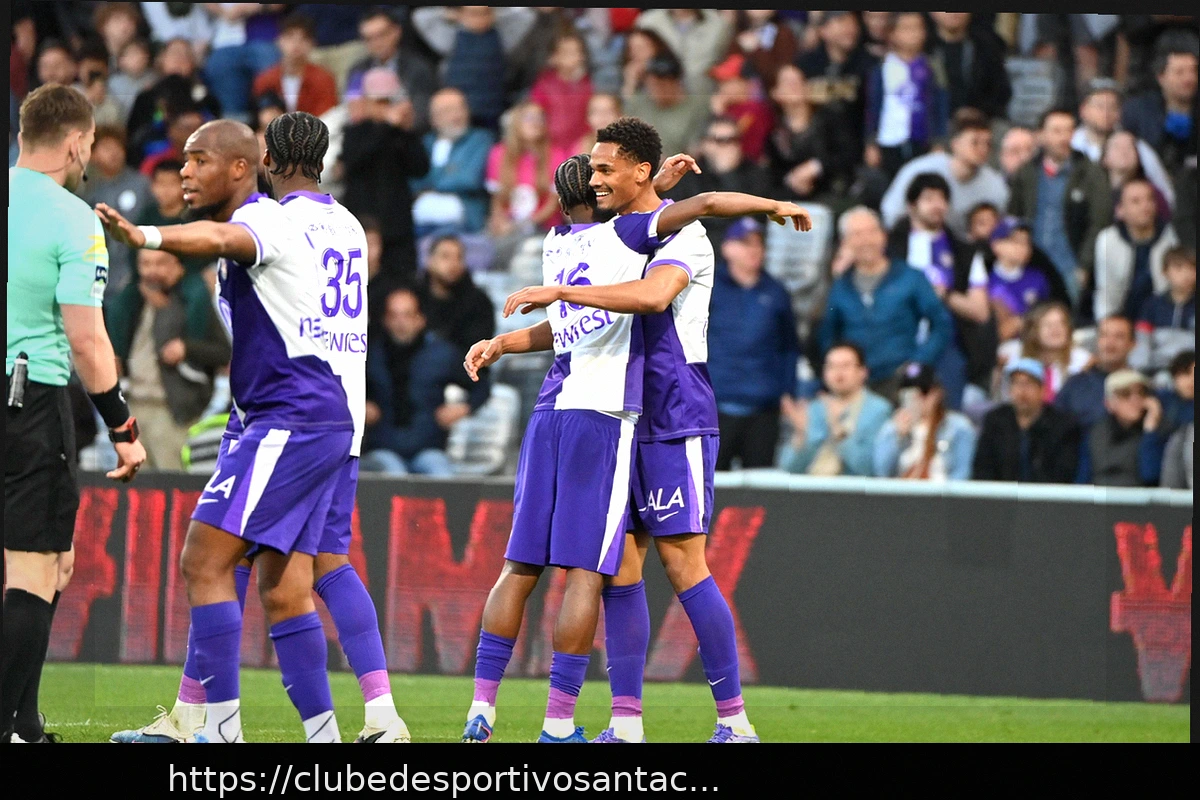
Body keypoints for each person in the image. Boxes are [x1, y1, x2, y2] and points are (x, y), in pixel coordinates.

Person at [493, 120, 811, 743]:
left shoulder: (684, 239)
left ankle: (735, 723)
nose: (592, 179)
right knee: (622, 571)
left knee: (685, 563)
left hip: (674, 414)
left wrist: (762, 203)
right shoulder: (622, 233)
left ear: (638, 169)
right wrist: (508, 343)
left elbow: (652, 297)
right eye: (591, 168)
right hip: (619, 414)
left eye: (605, 168)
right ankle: (627, 725)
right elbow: (587, 312)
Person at [106, 111, 412, 745]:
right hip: (332, 407)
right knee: (288, 576)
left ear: (261, 163)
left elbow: (226, 242)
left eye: (198, 160)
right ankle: (351, 728)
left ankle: (210, 727)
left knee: (212, 557)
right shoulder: (347, 223)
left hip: (289, 411)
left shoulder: (269, 219)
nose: (185, 171)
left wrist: (150, 237)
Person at [5, 84, 147, 745]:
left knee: (53, 562)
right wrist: (122, 426)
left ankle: (26, 722)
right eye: (88, 144)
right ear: (75, 143)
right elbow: (87, 338)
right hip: (29, 397)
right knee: (35, 567)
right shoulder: (72, 217)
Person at [105, 248, 231, 470]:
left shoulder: (192, 302)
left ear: (178, 266)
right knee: (137, 490)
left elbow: (223, 351)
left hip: (172, 412)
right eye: (145, 263)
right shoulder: (130, 303)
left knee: (174, 489)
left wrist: (186, 348)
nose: (152, 271)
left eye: (160, 263)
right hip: (132, 408)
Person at [818, 206, 954, 403]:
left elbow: (941, 324)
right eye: (857, 234)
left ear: (883, 236)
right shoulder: (839, 287)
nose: (866, 240)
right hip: (856, 386)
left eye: (872, 232)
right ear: (846, 242)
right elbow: (828, 335)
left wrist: (920, 360)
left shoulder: (910, 277)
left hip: (901, 379)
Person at [885, 172, 995, 410]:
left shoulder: (964, 252)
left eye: (942, 199)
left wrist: (943, 294)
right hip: (898, 342)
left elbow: (980, 312)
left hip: (948, 346)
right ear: (911, 206)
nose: (937, 205)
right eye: (929, 198)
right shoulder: (890, 247)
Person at [361, 287, 490, 477]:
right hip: (382, 448)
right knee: (393, 476)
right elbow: (341, 387)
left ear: (420, 319)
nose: (400, 323)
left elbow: (481, 384)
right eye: (394, 316)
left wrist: (463, 408)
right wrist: (359, 407)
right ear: (385, 320)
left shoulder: (442, 354)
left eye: (407, 315)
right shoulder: (368, 355)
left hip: (428, 447)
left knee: (442, 476)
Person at [708, 218, 800, 471]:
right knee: (712, 485)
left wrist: (788, 391)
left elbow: (789, 346)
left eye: (759, 243)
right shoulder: (709, 287)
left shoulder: (776, 291)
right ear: (727, 248)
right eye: (745, 243)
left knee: (760, 491)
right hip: (717, 407)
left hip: (764, 409)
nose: (754, 249)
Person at [1006, 107, 1112, 310]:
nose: (1064, 137)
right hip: (1030, 265)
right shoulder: (1027, 172)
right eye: (1056, 131)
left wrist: (1084, 265)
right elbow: (1014, 216)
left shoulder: (1090, 173)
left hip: (1070, 267)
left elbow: (1099, 222)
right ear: (1040, 135)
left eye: (1068, 130)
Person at [340, 67, 430, 280]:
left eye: (388, 101)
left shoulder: (403, 134)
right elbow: (353, 161)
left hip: (397, 230)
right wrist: (385, 126)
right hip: (363, 225)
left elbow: (421, 168)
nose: (385, 108)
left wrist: (405, 131)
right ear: (367, 102)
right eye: (379, 102)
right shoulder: (355, 132)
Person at [880, 107, 1009, 239]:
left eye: (987, 143)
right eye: (975, 142)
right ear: (955, 144)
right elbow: (891, 214)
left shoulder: (995, 187)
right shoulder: (920, 170)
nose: (982, 149)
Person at [662, 115, 774, 252]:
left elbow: (752, 218)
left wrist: (728, 174)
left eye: (732, 140)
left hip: (739, 250)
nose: (726, 147)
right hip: (696, 247)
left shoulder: (755, 173)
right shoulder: (687, 176)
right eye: (719, 141)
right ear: (704, 144)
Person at [779, 342, 892, 476]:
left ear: (863, 372)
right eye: (831, 366)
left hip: (854, 491)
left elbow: (871, 468)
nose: (838, 372)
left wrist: (839, 432)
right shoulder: (814, 408)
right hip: (813, 488)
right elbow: (789, 469)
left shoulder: (878, 410)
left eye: (845, 366)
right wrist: (801, 436)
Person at [863, 12, 949, 181]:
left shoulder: (932, 67)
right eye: (906, 29)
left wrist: (939, 141)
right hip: (889, 141)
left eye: (917, 28)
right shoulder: (882, 68)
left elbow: (941, 104)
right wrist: (871, 143)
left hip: (922, 141)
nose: (913, 34)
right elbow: (873, 107)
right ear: (892, 33)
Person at [971, 358, 1081, 483]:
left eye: (1029, 383)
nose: (1022, 391)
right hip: (1002, 498)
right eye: (1016, 383)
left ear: (1043, 390)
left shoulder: (1063, 425)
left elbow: (1063, 474)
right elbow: (982, 469)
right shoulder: (995, 421)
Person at [1091, 178, 1182, 324]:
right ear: (1120, 210)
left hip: (1164, 321)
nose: (1145, 206)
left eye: (1150, 199)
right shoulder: (1108, 239)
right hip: (1120, 318)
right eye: (1136, 201)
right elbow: (1106, 291)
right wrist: (1106, 323)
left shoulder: (1171, 236)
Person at [409, 87, 494, 239]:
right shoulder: (426, 143)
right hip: (424, 215)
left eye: (461, 108)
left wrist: (431, 185)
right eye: (448, 111)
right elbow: (413, 181)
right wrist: (447, 172)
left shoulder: (480, 139)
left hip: (465, 211)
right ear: (433, 119)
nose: (456, 115)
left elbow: (469, 179)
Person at [80, 126, 154, 300]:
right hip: (102, 272)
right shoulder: (90, 192)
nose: (113, 153)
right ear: (93, 155)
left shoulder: (142, 184)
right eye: (106, 148)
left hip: (137, 269)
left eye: (117, 147)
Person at [873, 362, 977, 480]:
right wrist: (899, 438)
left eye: (923, 392)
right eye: (908, 393)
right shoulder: (891, 428)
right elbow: (882, 473)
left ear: (937, 393)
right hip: (901, 494)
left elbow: (962, 474)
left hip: (943, 494)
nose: (917, 399)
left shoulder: (959, 427)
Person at [345, 6, 437, 133]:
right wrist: (388, 113)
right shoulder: (358, 70)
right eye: (369, 38)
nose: (376, 43)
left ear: (396, 31)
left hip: (405, 139)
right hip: (365, 138)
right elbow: (354, 109)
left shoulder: (418, 68)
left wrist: (370, 109)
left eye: (381, 35)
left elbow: (418, 116)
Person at [764, 63, 842, 202]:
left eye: (798, 80)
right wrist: (792, 179)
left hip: (833, 193)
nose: (795, 85)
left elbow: (847, 155)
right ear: (775, 92)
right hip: (793, 201)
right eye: (788, 82)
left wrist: (816, 166)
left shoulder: (830, 118)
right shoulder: (775, 134)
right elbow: (775, 175)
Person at [1075, 369, 1168, 486]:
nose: (1135, 399)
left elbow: (1151, 475)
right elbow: (1083, 478)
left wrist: (1150, 432)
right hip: (1098, 499)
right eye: (1125, 394)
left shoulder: (1159, 432)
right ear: (1109, 403)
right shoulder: (1095, 433)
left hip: (1138, 499)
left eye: (1141, 393)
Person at [1120, 41, 1199, 175]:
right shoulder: (1138, 111)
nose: (1189, 78)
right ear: (1161, 77)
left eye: (1193, 71)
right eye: (1180, 72)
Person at [997, 301, 1092, 405]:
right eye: (1048, 324)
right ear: (1033, 329)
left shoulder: (1083, 360)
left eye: (1061, 323)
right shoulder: (1011, 353)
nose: (1056, 329)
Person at [622, 51, 711, 162]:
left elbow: (695, 149)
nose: (656, 89)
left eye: (663, 84)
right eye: (652, 83)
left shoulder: (697, 107)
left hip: (680, 171)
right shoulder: (637, 103)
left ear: (677, 83)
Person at [416, 234, 496, 356]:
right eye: (445, 256)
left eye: (459, 257)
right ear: (429, 261)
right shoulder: (412, 297)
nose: (453, 263)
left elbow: (476, 349)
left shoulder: (478, 302)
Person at [251, 12, 339, 118]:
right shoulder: (265, 79)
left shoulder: (323, 79)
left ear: (312, 44)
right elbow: (258, 117)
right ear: (279, 41)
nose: (296, 44)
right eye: (290, 37)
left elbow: (327, 117)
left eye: (303, 39)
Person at [927, 12, 1012, 120]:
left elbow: (1001, 91)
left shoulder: (988, 47)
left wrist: (978, 112)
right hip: (934, 123)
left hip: (983, 121)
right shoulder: (924, 49)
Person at [987, 217, 1053, 344]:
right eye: (1016, 241)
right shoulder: (985, 281)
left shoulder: (1038, 279)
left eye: (1026, 242)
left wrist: (1020, 322)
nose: (1023, 247)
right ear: (996, 245)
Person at [529, 30, 595, 155]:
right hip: (549, 145)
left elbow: (591, 117)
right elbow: (536, 113)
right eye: (566, 52)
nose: (573, 56)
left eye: (577, 51)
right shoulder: (544, 84)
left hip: (581, 146)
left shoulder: (588, 85)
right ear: (553, 57)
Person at [1132, 245, 1194, 376]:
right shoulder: (1152, 304)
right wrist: (1140, 371)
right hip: (1157, 369)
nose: (1186, 274)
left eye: (1192, 268)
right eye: (1178, 268)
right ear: (1165, 272)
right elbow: (1143, 341)